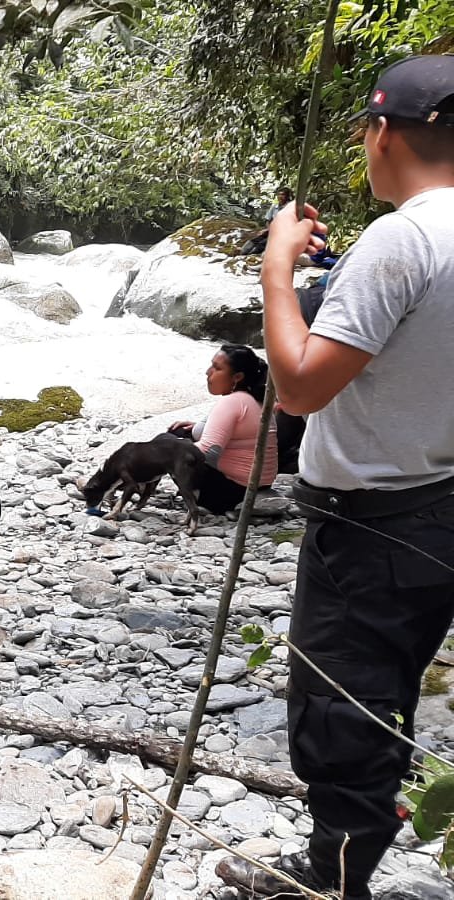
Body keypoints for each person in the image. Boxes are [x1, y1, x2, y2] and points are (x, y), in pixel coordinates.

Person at [216, 56, 454, 900]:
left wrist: (277, 270)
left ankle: (328, 882)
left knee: (341, 703)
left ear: (383, 132)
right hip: (439, 506)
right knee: (386, 683)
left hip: (372, 521)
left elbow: (306, 384)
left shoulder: (407, 238)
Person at [165, 344, 278, 514]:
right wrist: (195, 429)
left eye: (217, 368)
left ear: (237, 377)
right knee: (179, 433)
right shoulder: (255, 399)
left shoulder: (233, 402)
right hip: (255, 486)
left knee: (165, 442)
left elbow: (209, 451)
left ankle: (193, 495)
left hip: (227, 494)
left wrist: (162, 452)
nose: (208, 372)